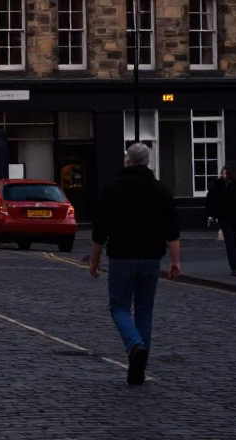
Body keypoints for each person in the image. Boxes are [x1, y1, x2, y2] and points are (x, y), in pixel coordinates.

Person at [89, 142, 181, 386]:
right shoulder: (162, 191)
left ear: (127, 160)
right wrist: (175, 261)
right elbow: (173, 232)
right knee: (144, 311)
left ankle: (135, 345)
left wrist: (94, 259)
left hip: (122, 257)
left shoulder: (113, 188)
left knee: (119, 308)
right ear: (148, 161)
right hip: (151, 258)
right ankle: (138, 369)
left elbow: (100, 229)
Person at [206, 161, 236, 277]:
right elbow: (210, 199)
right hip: (227, 216)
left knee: (235, 240)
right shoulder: (220, 184)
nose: (224, 174)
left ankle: (235, 264)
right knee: (231, 239)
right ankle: (235, 266)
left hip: (235, 215)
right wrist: (212, 214)